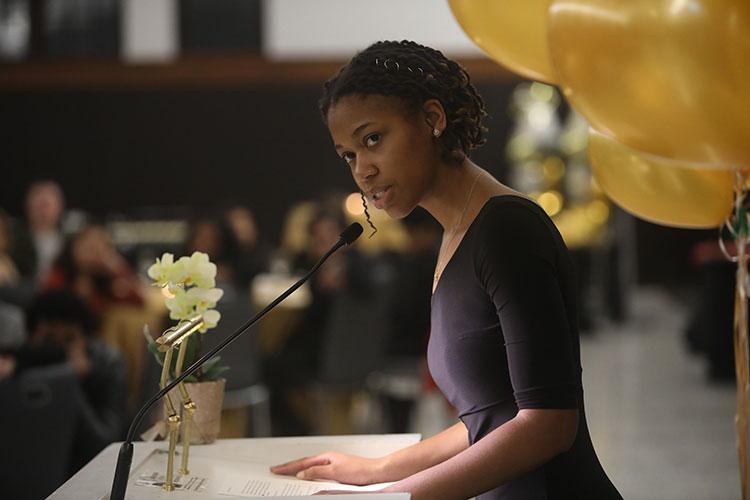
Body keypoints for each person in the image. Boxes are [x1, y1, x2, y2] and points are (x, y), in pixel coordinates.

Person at [270, 40, 622, 499]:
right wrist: (380, 471)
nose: (363, 171)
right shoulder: (457, 232)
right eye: (349, 155)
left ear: (433, 119)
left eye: (373, 139)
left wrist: (397, 497)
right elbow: (490, 418)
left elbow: (549, 423)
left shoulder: (508, 229)